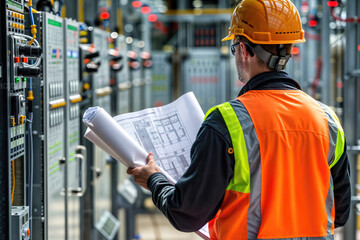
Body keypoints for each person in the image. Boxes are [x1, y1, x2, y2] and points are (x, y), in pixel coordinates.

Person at [127, 0, 351, 239]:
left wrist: (155, 180)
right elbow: (341, 212)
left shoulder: (227, 121)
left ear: (244, 50)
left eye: (234, 48)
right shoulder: (328, 121)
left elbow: (186, 214)